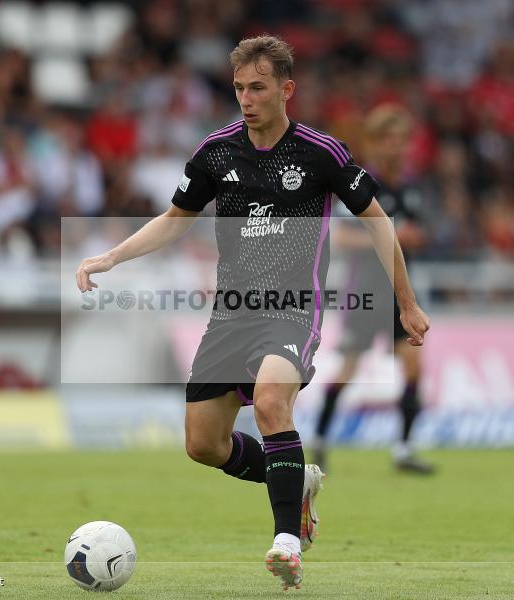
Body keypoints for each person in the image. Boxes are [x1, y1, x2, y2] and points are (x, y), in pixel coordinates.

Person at [76, 36, 429, 591]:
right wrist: (112, 256)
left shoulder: (321, 153)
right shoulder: (216, 152)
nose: (246, 98)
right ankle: (298, 480)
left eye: (258, 87)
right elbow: (174, 219)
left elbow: (380, 223)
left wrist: (406, 303)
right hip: (231, 314)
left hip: (293, 310)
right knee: (203, 445)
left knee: (269, 401)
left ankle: (288, 541)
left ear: (286, 90)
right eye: (239, 88)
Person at [311, 104, 435, 475]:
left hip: (400, 294)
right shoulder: (360, 183)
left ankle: (404, 449)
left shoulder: (411, 187)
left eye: (401, 140)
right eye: (388, 140)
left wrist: (412, 238)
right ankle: (319, 439)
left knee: (413, 366)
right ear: (375, 143)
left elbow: (416, 232)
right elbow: (343, 235)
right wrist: (390, 236)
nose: (395, 148)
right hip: (364, 291)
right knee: (347, 369)